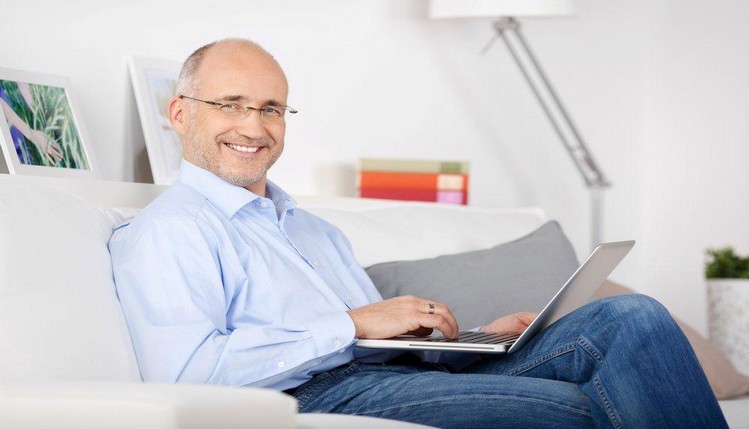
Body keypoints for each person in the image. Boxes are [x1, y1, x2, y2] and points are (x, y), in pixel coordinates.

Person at [109, 38, 727, 428]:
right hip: (313, 398)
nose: (254, 125)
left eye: (271, 108)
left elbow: (379, 343)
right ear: (181, 112)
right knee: (593, 407)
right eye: (231, 104)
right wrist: (351, 324)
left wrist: (468, 340)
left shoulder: (312, 229)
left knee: (631, 315)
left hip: (396, 375)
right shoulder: (171, 231)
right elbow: (186, 376)